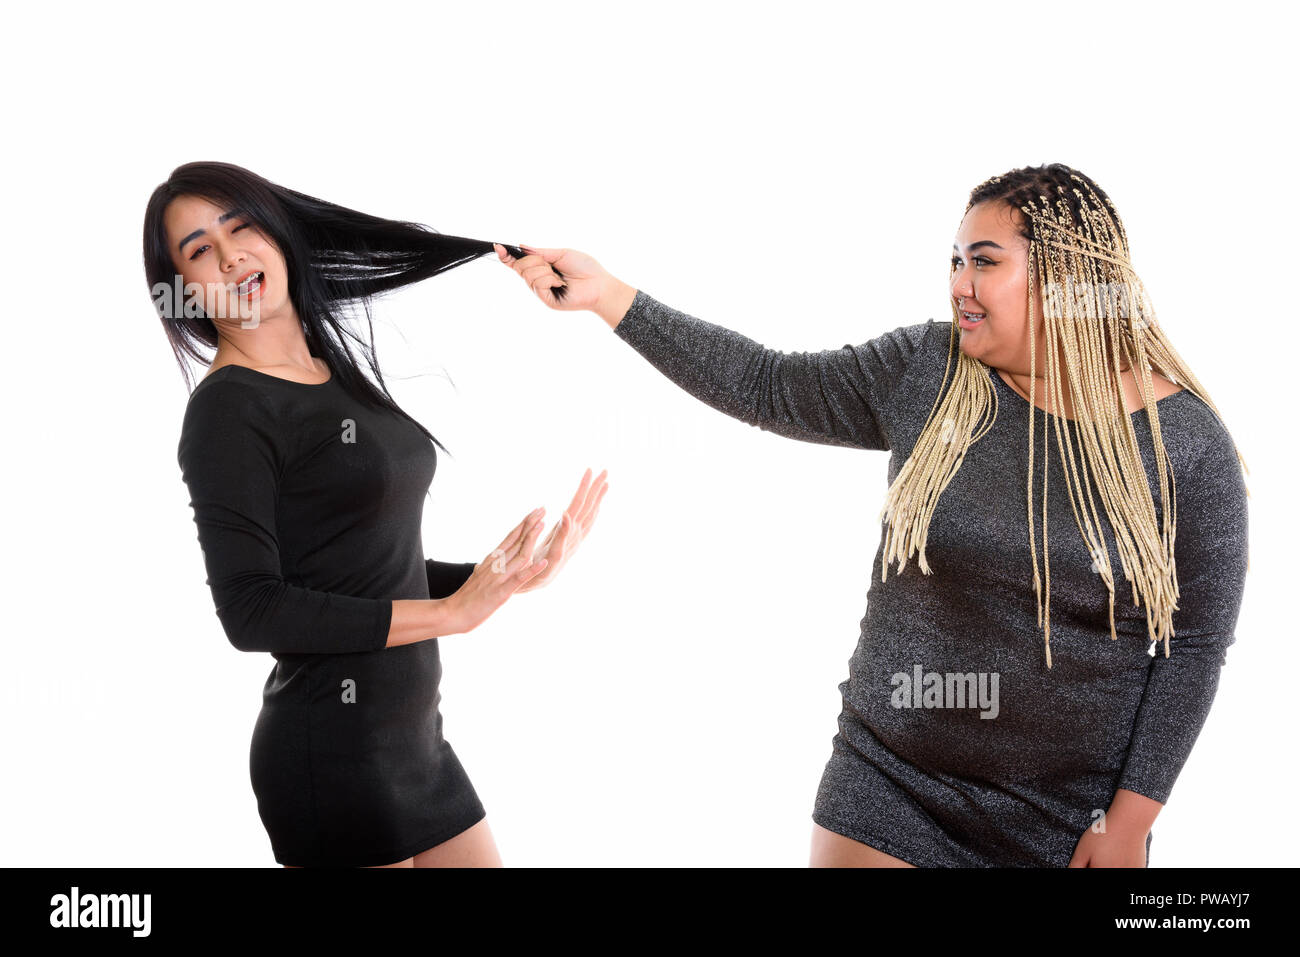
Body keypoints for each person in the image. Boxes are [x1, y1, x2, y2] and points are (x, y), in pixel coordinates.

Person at [493, 163, 1250, 867]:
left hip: (1067, 819)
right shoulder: (928, 370)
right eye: (955, 259)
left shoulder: (1182, 444)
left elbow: (1195, 642)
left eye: (984, 261)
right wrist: (609, 297)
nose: (960, 282)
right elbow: (765, 384)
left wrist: (1129, 824)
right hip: (888, 782)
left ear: (1066, 281)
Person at [147, 161, 609, 867]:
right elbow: (253, 609)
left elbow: (362, 567)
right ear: (183, 292)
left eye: (240, 226)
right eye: (200, 249)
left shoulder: (334, 373)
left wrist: (502, 576)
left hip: (418, 749)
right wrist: (455, 613)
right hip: (329, 761)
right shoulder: (228, 409)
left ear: (275, 232)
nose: (231, 252)